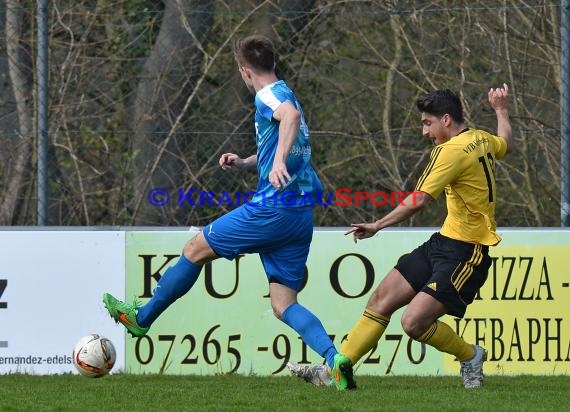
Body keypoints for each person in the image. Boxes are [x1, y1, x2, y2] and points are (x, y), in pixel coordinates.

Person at [102, 34, 355, 390]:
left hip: (272, 211)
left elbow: (290, 120)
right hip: (300, 217)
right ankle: (335, 359)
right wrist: (247, 162)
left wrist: (278, 159)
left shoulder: (270, 96)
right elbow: (286, 139)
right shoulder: (286, 90)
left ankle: (141, 318)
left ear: (245, 71)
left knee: (194, 249)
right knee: (284, 304)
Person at [288, 84, 513, 389]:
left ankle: (470, 355)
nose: (424, 131)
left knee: (413, 323)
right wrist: (501, 110)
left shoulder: (450, 152)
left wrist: (378, 224)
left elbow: (419, 200)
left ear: (446, 120)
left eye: (427, 123)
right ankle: (332, 374)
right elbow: (504, 143)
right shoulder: (480, 139)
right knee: (381, 300)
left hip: (467, 251)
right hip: (443, 241)